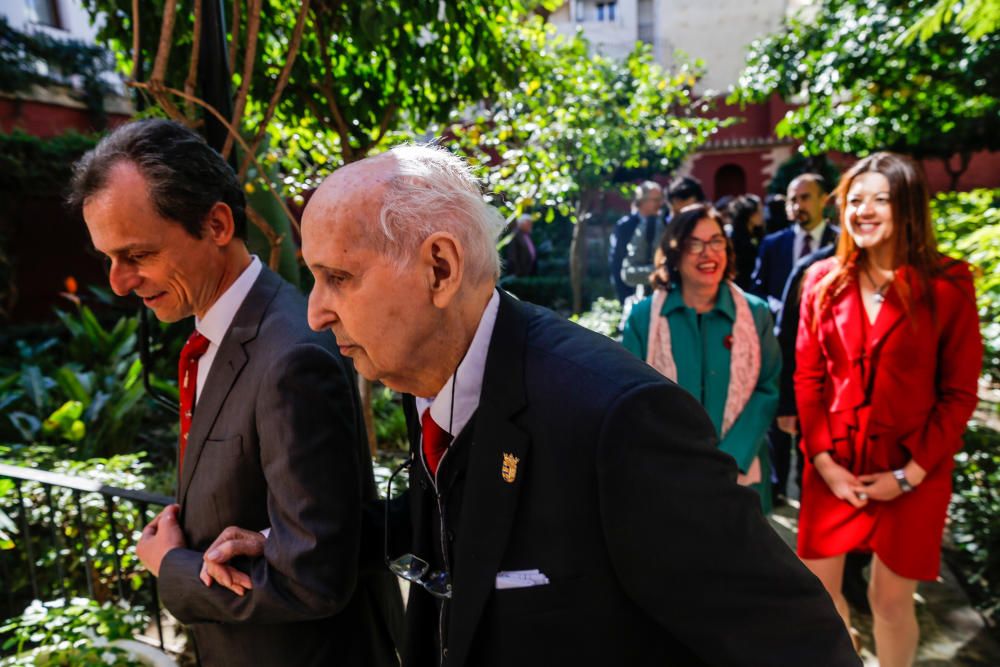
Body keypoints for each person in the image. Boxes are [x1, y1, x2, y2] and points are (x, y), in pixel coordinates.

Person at [202, 144, 860, 667]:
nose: (315, 311)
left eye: (337, 277)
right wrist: (286, 542)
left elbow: (800, 641)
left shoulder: (617, 421)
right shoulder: (433, 368)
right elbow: (458, 515)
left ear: (439, 268)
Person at [69, 119, 403, 667]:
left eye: (137, 255)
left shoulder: (291, 356)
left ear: (217, 224)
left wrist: (170, 564)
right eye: (108, 258)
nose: (118, 281)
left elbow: (314, 579)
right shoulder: (223, 332)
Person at [795, 152, 982, 665]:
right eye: (855, 200)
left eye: (881, 199)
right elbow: (809, 379)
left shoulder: (948, 285)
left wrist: (908, 475)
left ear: (908, 209)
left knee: (890, 602)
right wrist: (825, 464)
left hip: (913, 469)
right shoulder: (821, 283)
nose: (865, 210)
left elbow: (960, 393)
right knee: (816, 596)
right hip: (834, 464)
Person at [622, 204, 780, 513]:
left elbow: (767, 387)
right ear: (674, 252)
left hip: (741, 469)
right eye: (694, 243)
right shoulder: (643, 319)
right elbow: (630, 398)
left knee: (741, 559)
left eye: (716, 241)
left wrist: (730, 458)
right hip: (667, 470)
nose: (708, 253)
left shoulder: (756, 313)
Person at [753, 173, 838, 503]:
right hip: (781, 346)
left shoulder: (841, 242)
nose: (797, 206)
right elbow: (758, 288)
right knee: (779, 421)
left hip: (822, 355)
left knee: (812, 429)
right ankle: (776, 488)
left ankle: (808, 490)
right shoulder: (774, 244)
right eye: (792, 199)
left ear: (823, 201)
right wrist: (781, 305)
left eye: (804, 198)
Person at [608, 181, 663, 303]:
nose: (660, 204)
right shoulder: (625, 226)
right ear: (642, 201)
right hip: (634, 295)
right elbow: (617, 262)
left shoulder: (663, 224)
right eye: (656, 200)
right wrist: (624, 297)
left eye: (660, 199)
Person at [726, 194, 765, 291]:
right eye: (759, 211)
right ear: (750, 214)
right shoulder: (734, 237)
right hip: (740, 287)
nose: (762, 215)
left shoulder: (758, 234)